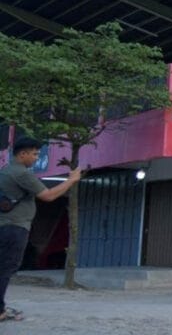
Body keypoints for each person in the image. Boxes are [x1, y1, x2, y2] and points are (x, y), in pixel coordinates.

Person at [0, 138, 82, 322]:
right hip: (15, 227)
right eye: (35, 154)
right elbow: (48, 195)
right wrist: (72, 180)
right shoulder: (22, 174)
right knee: (6, 268)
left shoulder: (5, 171)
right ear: (23, 154)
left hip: (5, 226)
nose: (37, 158)